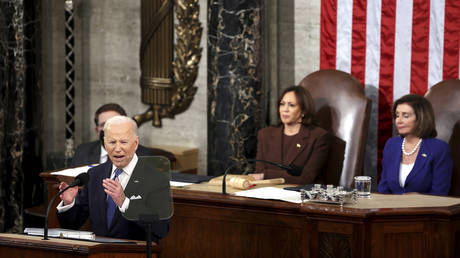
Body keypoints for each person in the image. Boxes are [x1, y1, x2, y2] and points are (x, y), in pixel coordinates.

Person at [57, 116, 170, 242]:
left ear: (136, 143)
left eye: (123, 142)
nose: (117, 148)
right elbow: (71, 225)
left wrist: (124, 203)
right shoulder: (95, 174)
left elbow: (161, 229)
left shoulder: (156, 178)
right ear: (105, 144)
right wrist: (68, 203)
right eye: (112, 142)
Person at [253, 86, 330, 184]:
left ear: (303, 110)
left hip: (300, 195)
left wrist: (266, 175)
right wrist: (265, 175)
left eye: (291, 105)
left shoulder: (318, 137)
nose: (285, 109)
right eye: (282, 104)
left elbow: (306, 179)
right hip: (266, 194)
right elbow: (259, 172)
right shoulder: (265, 135)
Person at [378, 94, 453, 195]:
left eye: (405, 116)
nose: (398, 121)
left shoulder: (439, 148)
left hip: (424, 210)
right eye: (397, 115)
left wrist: (417, 199)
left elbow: (440, 194)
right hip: (391, 209)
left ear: (420, 118)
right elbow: (383, 188)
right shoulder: (391, 145)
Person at [71, 103, 173, 166]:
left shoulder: (144, 156)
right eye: (104, 125)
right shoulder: (82, 152)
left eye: (114, 123)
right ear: (97, 131)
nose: (109, 128)